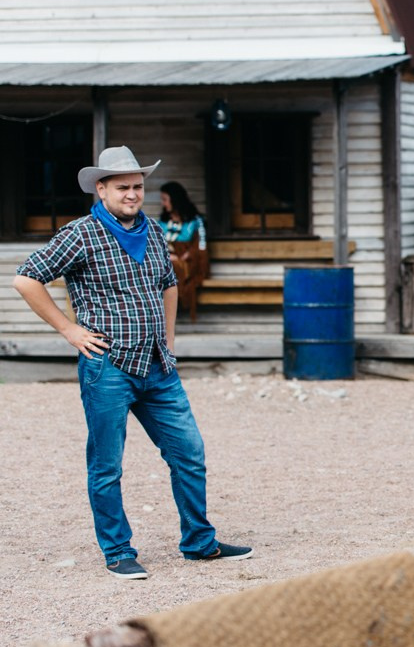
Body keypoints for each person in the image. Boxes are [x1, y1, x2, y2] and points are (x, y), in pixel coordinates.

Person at [13, 145, 252, 580]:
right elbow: (26, 278)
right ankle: (118, 550)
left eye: (138, 186)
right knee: (107, 465)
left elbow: (169, 284)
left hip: (158, 368)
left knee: (189, 453)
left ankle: (199, 543)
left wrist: (169, 340)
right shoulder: (79, 234)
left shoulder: (155, 231)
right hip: (107, 367)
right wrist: (69, 330)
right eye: (122, 186)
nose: (132, 193)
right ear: (101, 189)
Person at [157, 181, 208, 322]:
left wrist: (186, 255)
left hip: (189, 264)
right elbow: (157, 244)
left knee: (172, 268)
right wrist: (168, 256)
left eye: (165, 199)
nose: (162, 203)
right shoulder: (162, 222)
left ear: (175, 200)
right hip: (168, 261)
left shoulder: (195, 222)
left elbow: (201, 247)